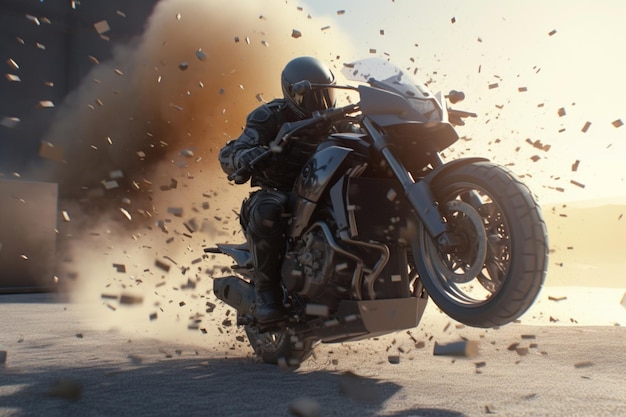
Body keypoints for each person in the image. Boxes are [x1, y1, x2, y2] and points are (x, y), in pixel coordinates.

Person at [218, 56, 338, 323]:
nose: (320, 104)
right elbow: (231, 151)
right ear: (292, 93)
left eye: (325, 93)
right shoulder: (270, 116)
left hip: (322, 191)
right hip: (280, 191)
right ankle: (266, 294)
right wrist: (244, 157)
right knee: (268, 209)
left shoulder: (339, 119)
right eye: (310, 96)